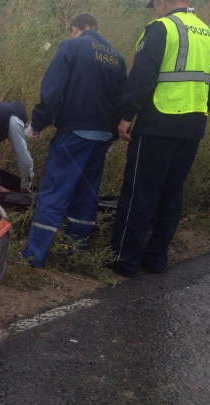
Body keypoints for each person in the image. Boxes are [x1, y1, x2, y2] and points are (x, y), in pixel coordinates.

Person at [109, 0, 210, 278]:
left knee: (140, 191)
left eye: (155, 4)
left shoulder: (161, 28)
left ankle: (124, 260)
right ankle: (156, 258)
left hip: (159, 122)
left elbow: (142, 77)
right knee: (172, 191)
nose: (155, 9)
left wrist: (127, 116)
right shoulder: (206, 32)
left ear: (164, 2)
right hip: (194, 123)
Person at [22, 13, 127, 267]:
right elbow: (121, 101)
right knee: (86, 196)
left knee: (54, 193)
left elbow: (53, 90)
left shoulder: (72, 46)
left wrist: (37, 124)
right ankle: (74, 253)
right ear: (97, 28)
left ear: (74, 29)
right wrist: (111, 135)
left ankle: (35, 256)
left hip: (73, 133)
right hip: (101, 137)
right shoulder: (117, 57)